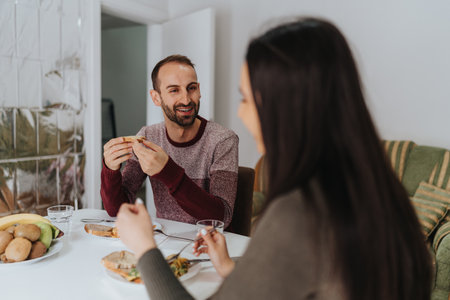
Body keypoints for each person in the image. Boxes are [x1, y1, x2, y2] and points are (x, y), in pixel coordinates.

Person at [116, 18, 432, 300]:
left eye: (246, 99)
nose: (240, 112)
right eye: (174, 90)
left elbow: (234, 223)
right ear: (156, 97)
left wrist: (145, 250)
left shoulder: (298, 213)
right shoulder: (374, 190)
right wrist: (230, 267)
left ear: (286, 107)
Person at [101, 55, 239, 227]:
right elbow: (117, 210)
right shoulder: (148, 137)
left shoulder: (223, 140)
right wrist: (110, 169)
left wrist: (166, 170)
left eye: (191, 88)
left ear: (199, 90)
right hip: (166, 241)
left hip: (209, 244)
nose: (186, 99)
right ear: (156, 98)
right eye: (174, 90)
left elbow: (221, 218)